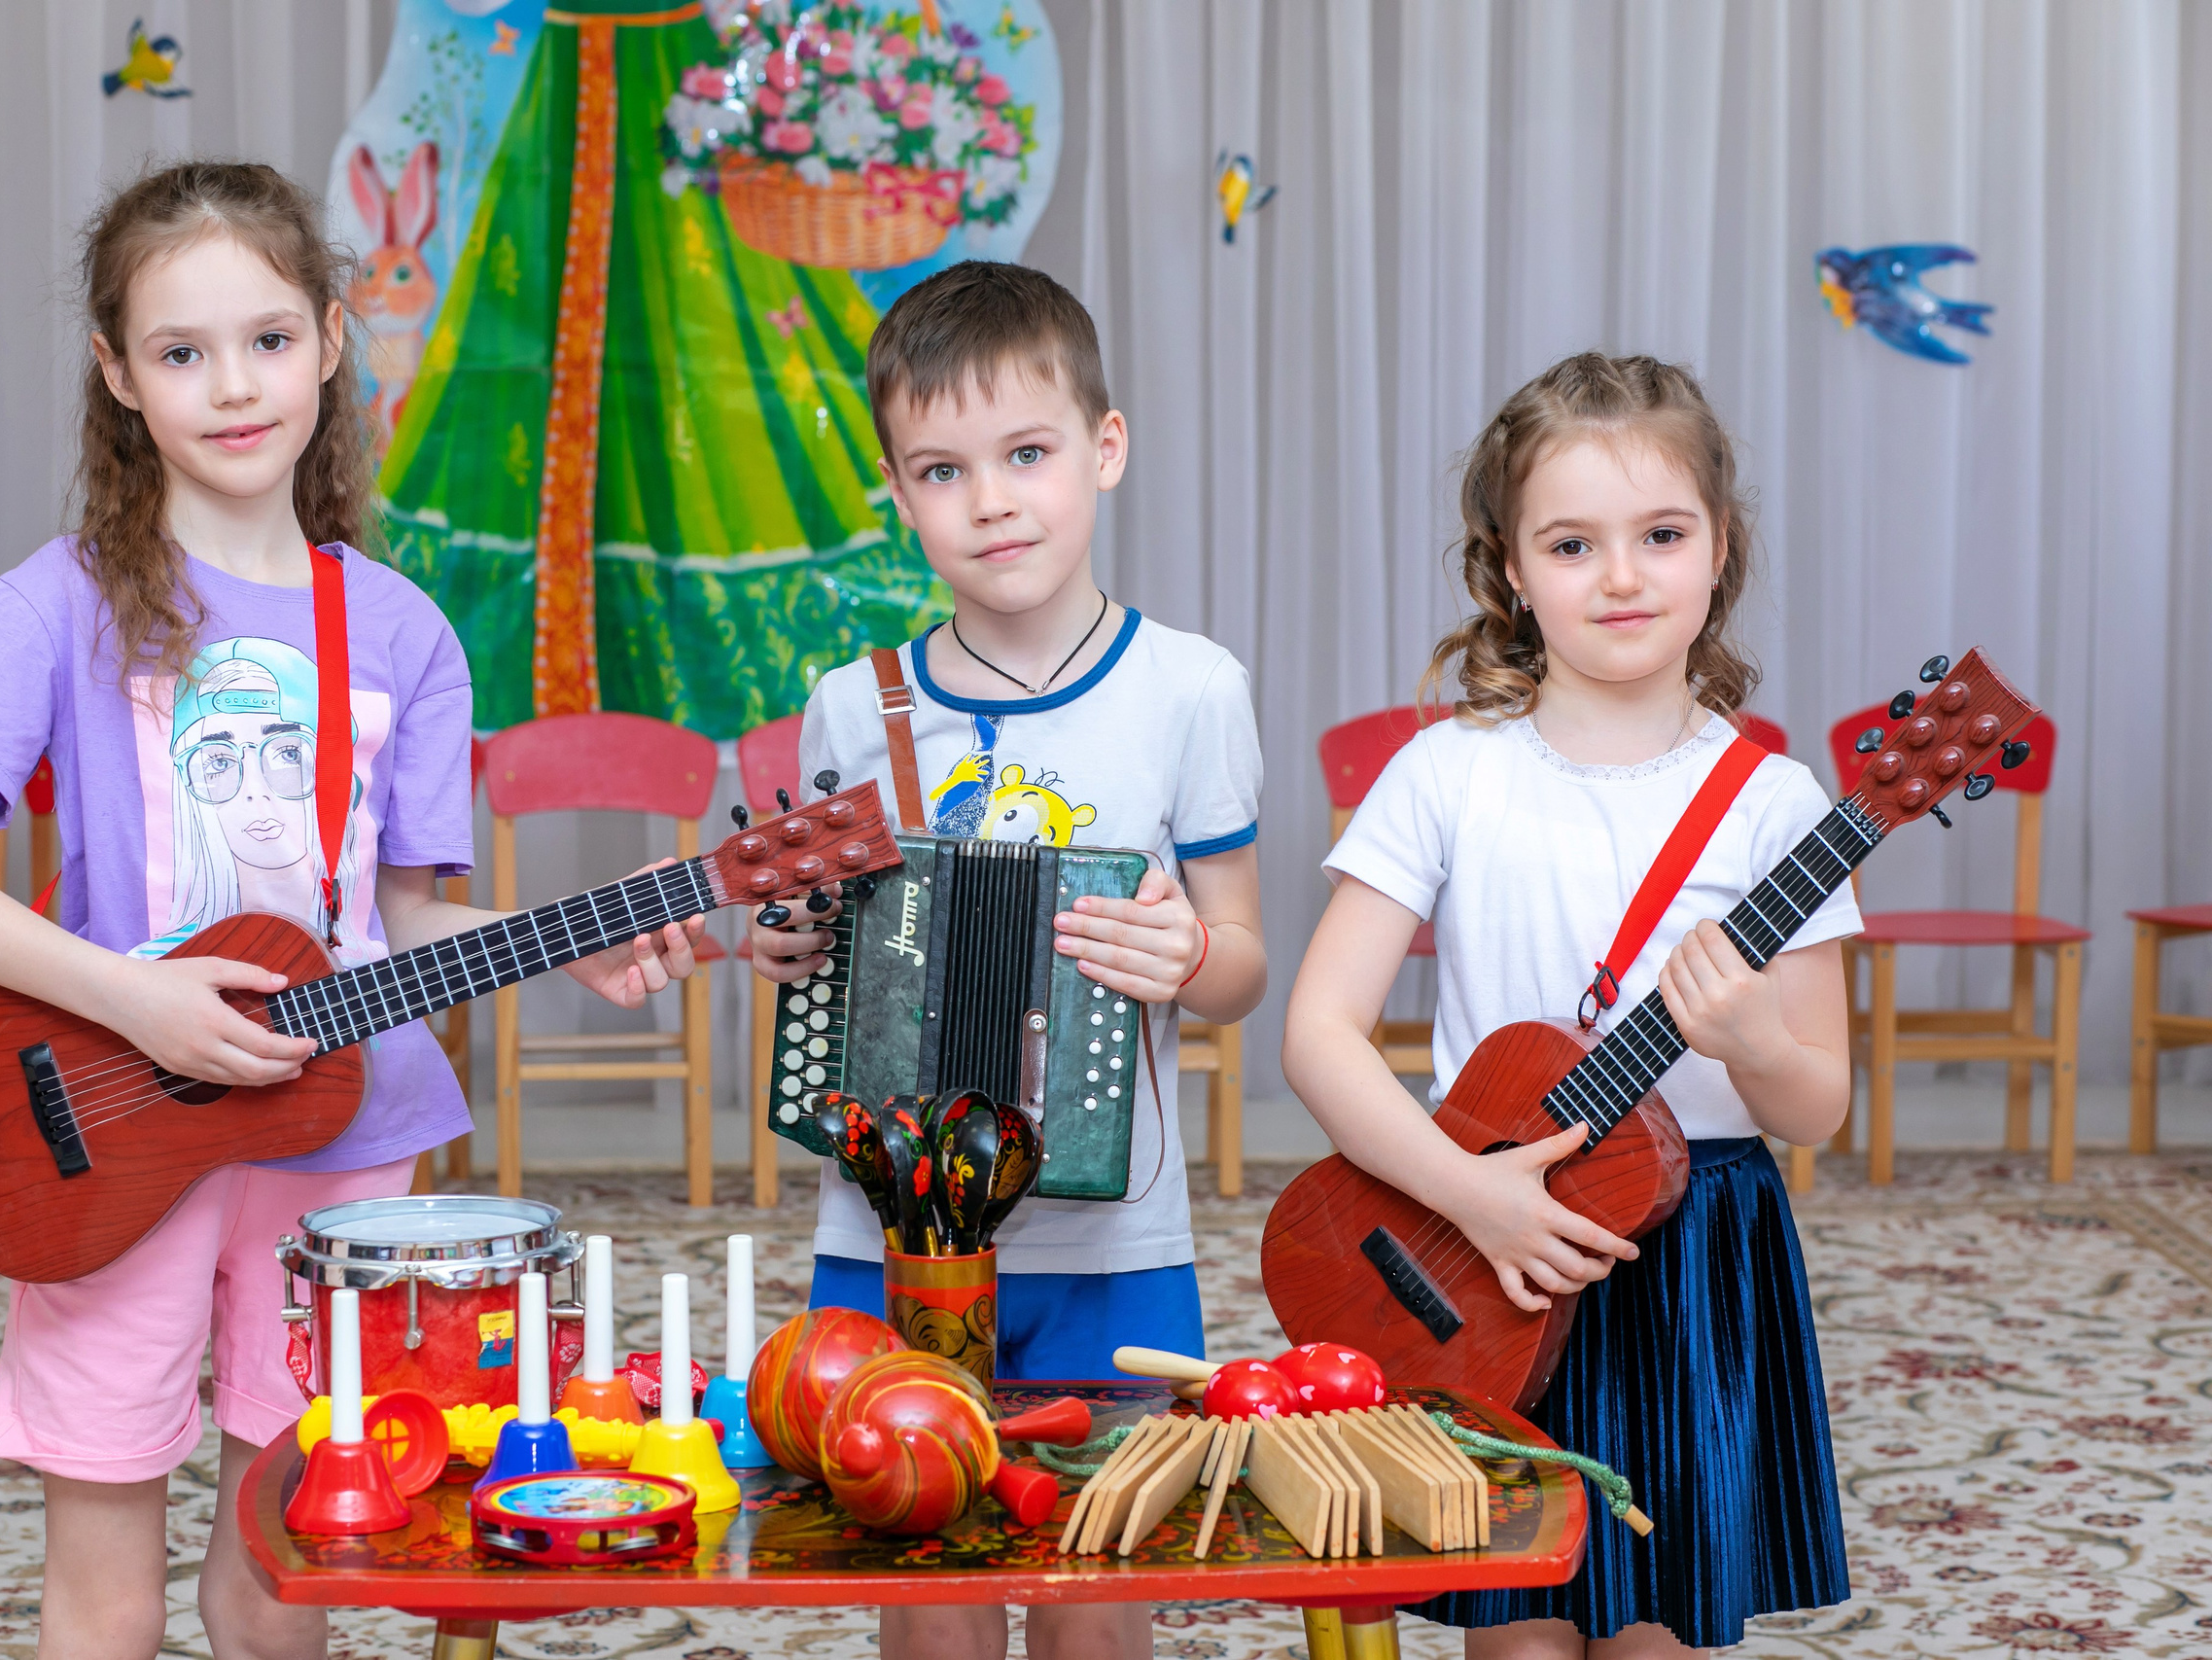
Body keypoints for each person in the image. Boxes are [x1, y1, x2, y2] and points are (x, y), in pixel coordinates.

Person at [0, 161, 702, 1660]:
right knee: (106, 1588)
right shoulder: (65, 600)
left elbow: (409, 925)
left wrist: (577, 937)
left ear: (330, 341)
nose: (233, 387)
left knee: (289, 1557)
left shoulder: (406, 631)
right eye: (181, 352)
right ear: (117, 374)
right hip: (114, 1131)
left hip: (352, 1148)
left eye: (269, 339)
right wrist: (136, 1000)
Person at [1283, 352, 1854, 1658]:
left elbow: (1817, 1103)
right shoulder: (1448, 773)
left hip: (1693, 1245)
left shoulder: (1776, 805)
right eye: (1572, 542)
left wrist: (1759, 1042)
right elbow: (1318, 1036)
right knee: (1518, 1631)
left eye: (1662, 534)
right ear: (1511, 568)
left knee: (1654, 1630)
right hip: (1480, 1240)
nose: (1621, 575)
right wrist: (1467, 1192)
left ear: (1721, 549)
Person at [749, 261, 1269, 1660]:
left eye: (1027, 454)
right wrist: (787, 944)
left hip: (1114, 1237)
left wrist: (1189, 952)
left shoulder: (1191, 690)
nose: (991, 499)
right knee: (924, 1578)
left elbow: (1244, 972)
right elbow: (826, 961)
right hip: (888, 1232)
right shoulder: (853, 708)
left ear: (1103, 450)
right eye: (942, 469)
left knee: (1096, 1582)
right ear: (899, 494)